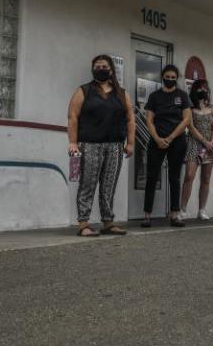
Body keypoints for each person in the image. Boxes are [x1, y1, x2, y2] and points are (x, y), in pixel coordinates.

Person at [66, 55, 135, 237]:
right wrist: (73, 143)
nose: (100, 68)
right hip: (89, 145)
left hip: (115, 146)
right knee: (87, 184)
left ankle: (108, 222)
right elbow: (73, 117)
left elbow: (130, 118)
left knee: (108, 185)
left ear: (111, 70)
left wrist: (131, 142)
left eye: (104, 66)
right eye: (97, 66)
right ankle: (83, 224)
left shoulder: (121, 93)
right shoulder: (83, 91)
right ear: (92, 69)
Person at [142, 65, 192, 227]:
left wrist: (170, 138)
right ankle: (147, 215)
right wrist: (157, 138)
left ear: (176, 78)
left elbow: (186, 120)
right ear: (162, 77)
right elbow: (149, 119)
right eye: (167, 76)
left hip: (176, 141)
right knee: (151, 176)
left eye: (173, 77)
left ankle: (174, 215)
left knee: (174, 177)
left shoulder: (182, 96)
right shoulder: (154, 96)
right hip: (157, 140)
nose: (170, 79)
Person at [181, 80, 213, 221]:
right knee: (189, 176)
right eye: (200, 88)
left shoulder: (212, 107)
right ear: (195, 89)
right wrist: (204, 141)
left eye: (205, 87)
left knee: (206, 178)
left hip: (210, 145)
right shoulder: (190, 107)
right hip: (194, 143)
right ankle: (183, 210)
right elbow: (190, 127)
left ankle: (202, 210)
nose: (203, 90)